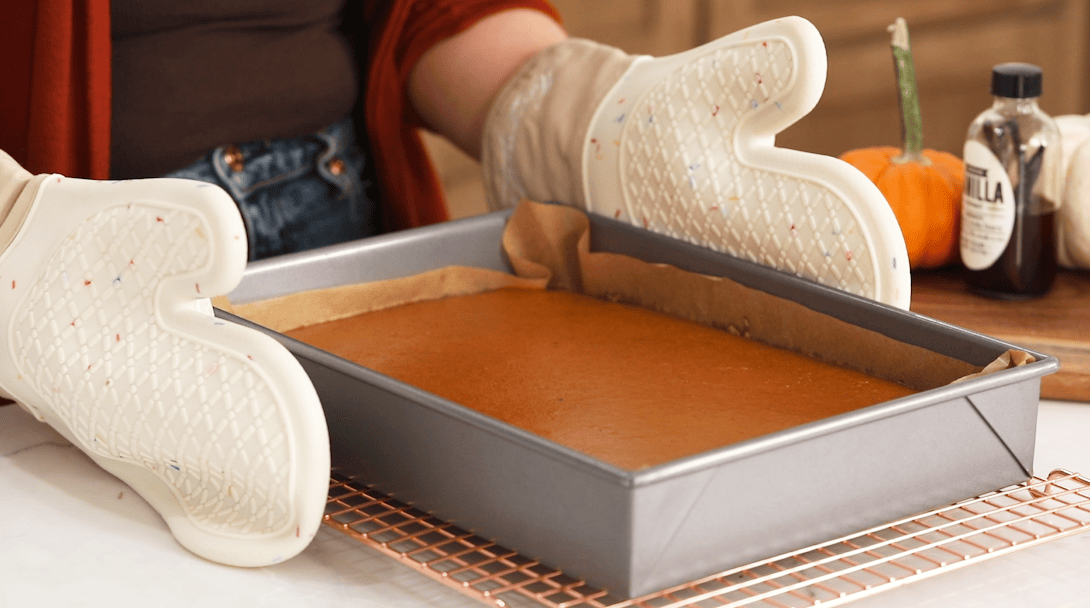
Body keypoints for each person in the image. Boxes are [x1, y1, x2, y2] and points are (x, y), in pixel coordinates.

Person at [1, 1, 898, 568]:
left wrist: (578, 115)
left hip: (345, 228)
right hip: (73, 265)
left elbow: (429, 13)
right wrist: (16, 236)